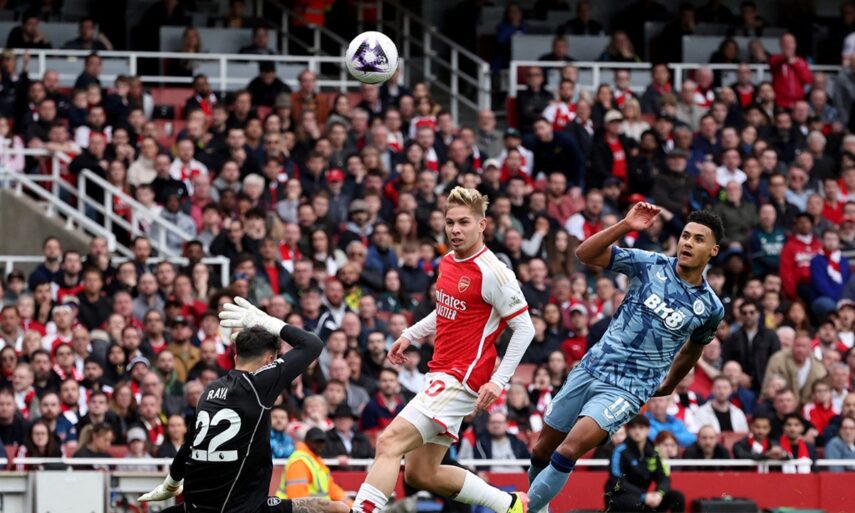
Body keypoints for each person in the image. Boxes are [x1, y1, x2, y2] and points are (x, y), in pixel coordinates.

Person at [526, 206, 725, 513]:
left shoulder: (710, 307)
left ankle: (518, 509)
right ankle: (538, 509)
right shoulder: (649, 263)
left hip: (628, 388)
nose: (688, 243)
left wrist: (671, 383)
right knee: (542, 451)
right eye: (685, 236)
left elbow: (692, 350)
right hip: (592, 367)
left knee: (569, 449)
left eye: (699, 239)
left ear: (713, 250)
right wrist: (625, 225)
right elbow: (584, 254)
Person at [350, 186, 535, 513]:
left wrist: (499, 381)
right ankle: (510, 504)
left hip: (460, 378)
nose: (455, 230)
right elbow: (447, 310)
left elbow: (525, 328)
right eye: (450, 222)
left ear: (482, 224)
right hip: (440, 373)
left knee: (389, 442)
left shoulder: (494, 273)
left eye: (464, 222)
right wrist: (410, 334)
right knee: (421, 473)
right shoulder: (448, 261)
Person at [138, 296, 348, 513]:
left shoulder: (210, 390)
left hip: (197, 506)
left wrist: (171, 484)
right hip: (240, 508)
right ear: (270, 360)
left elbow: (188, 445)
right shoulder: (259, 384)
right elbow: (313, 344)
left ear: (236, 355)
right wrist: (269, 322)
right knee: (334, 508)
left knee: (330, 507)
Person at [604, 415, 685, 513]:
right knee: (635, 503)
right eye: (633, 428)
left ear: (648, 430)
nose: (637, 431)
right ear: (628, 431)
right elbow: (616, 480)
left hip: (645, 497)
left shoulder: (653, 451)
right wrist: (642, 496)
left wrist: (659, 493)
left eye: (641, 427)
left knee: (677, 498)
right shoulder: (619, 451)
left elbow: (663, 477)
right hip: (620, 497)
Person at [277, 427, 349, 501]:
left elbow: (332, 489)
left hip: (318, 506)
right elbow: (298, 500)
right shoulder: (300, 462)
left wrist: (351, 505)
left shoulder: (316, 461)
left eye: (322, 442)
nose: (320, 445)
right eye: (316, 442)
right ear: (306, 442)